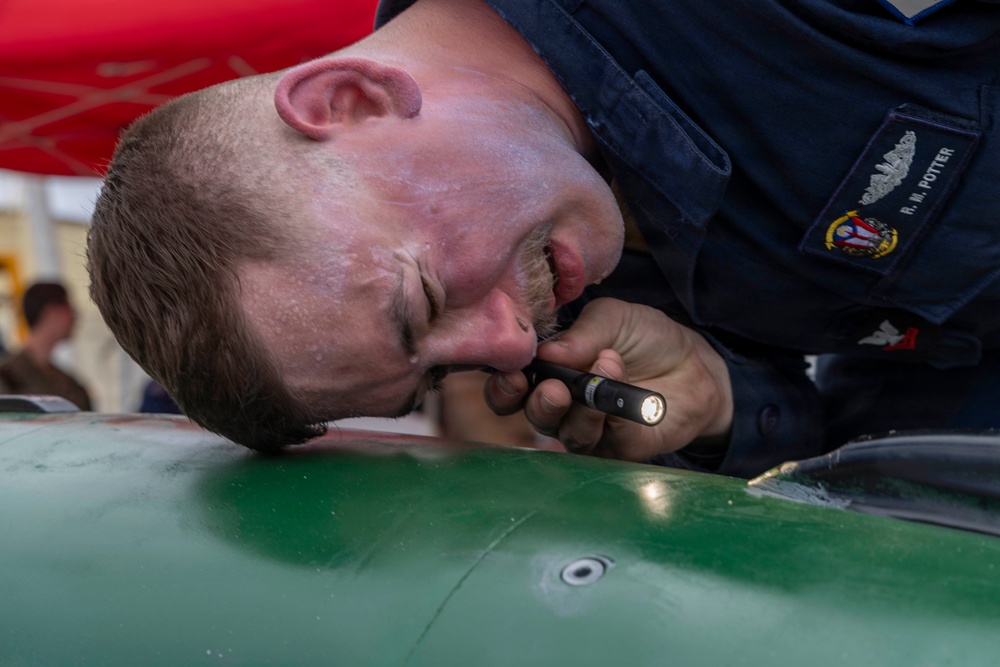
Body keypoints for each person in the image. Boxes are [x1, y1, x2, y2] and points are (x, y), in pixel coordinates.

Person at [87, 0, 1000, 478]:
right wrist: (720, 400)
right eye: (437, 376)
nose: (513, 345)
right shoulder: (584, 251)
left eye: (425, 301)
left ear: (350, 101)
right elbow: (907, 390)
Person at [0, 282, 92, 410]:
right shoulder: (7, 376)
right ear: (52, 312)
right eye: (70, 308)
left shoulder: (69, 383)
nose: (74, 317)